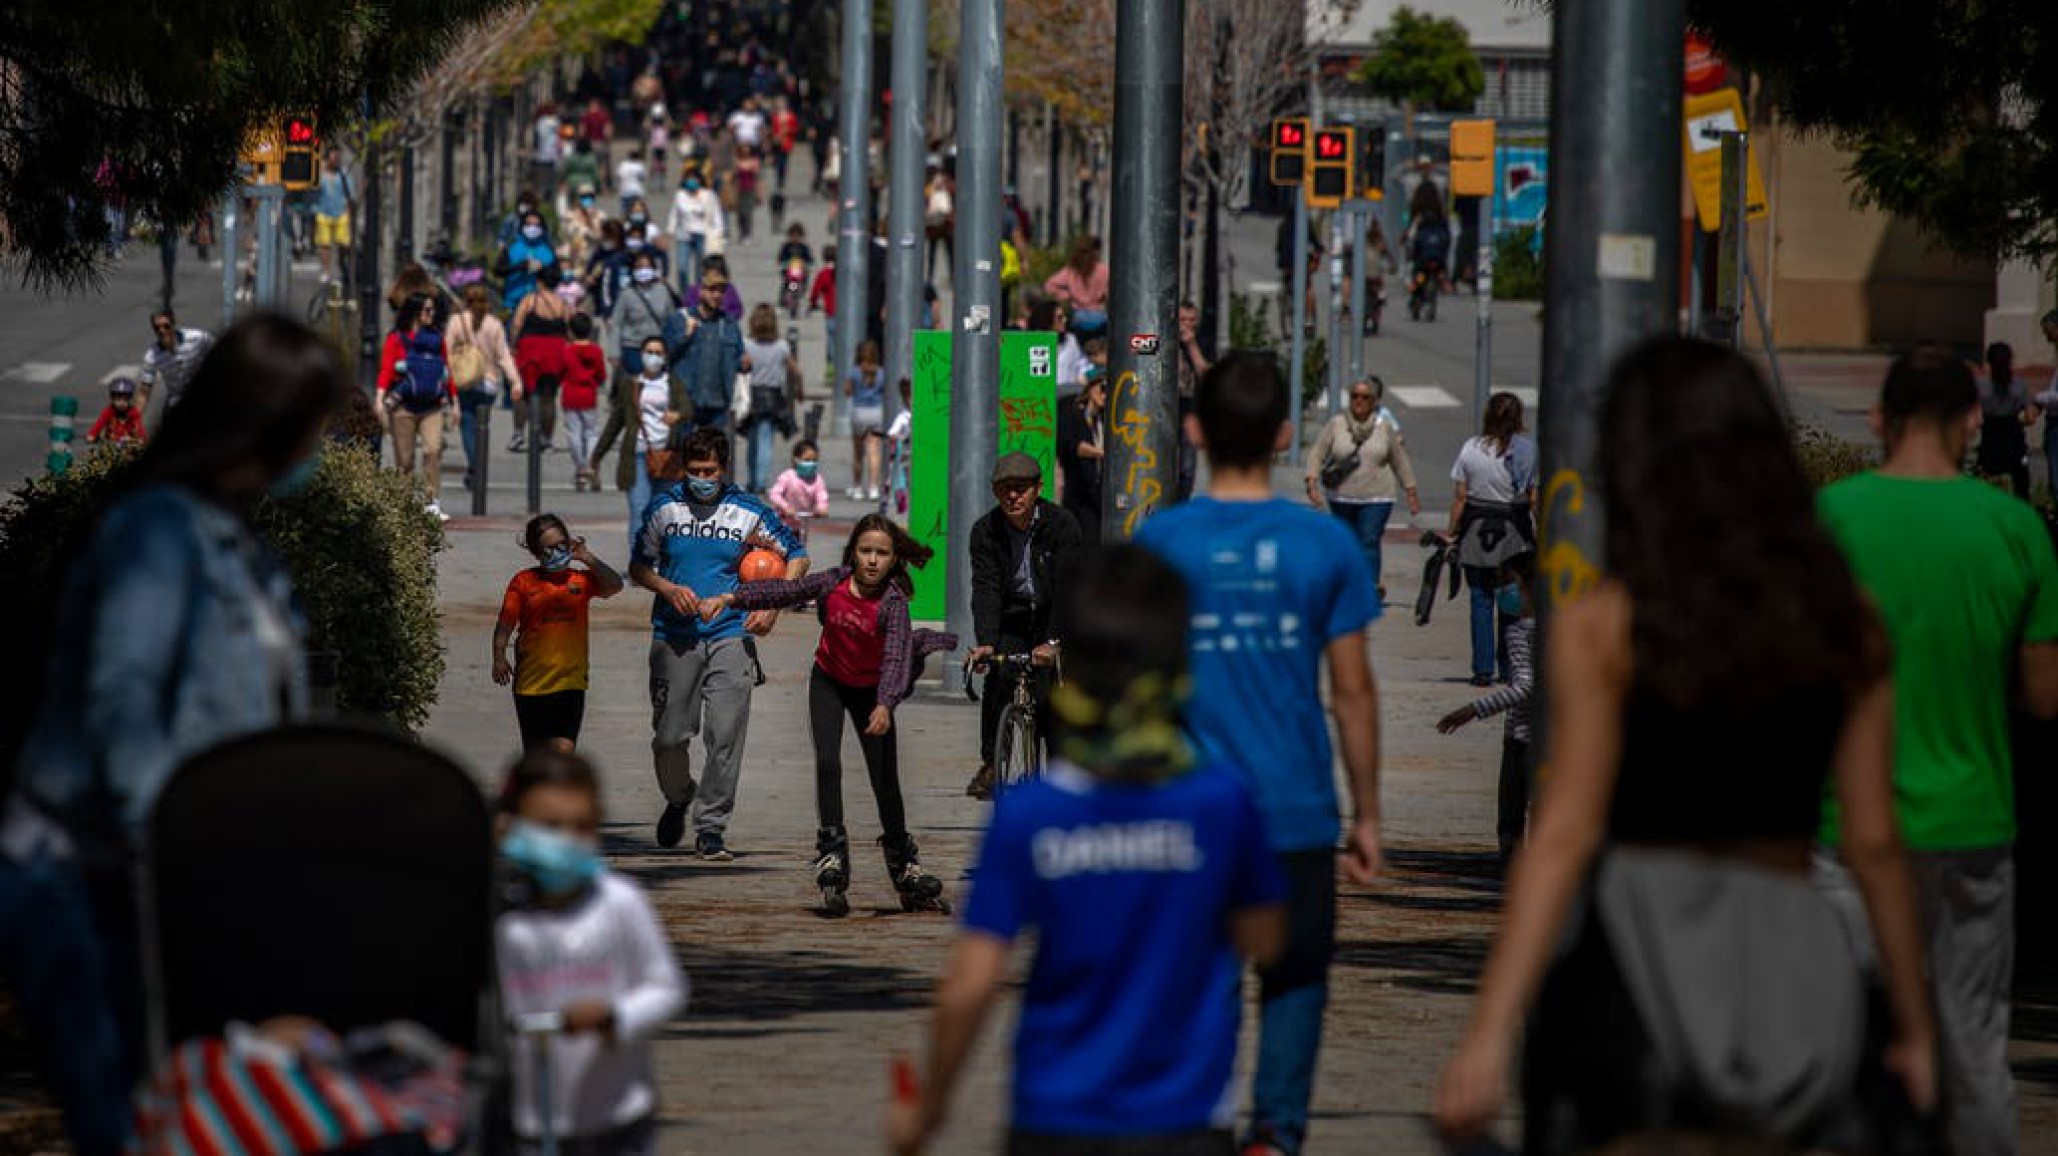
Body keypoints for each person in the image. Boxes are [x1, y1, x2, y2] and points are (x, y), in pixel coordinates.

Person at [1434, 338, 1939, 1155]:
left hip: (1637, 950)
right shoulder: (1842, 620)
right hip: (1793, 944)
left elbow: (1561, 834)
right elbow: (1876, 840)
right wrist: (1915, 1026)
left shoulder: (1608, 625)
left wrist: (1489, 1030)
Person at [2, 313, 340, 1156]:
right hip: (95, 884)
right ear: (264, 422)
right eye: (312, 428)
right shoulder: (156, 531)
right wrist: (187, 855)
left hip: (177, 882)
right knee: (134, 1125)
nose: (320, 448)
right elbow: (123, 712)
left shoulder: (236, 541)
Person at [890, 544, 1287, 1156]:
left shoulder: (1030, 814)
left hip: (1055, 1115)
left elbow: (971, 983)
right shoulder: (1221, 804)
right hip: (1185, 1116)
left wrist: (929, 1109)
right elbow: (1266, 939)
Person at [1131, 351, 1381, 1156]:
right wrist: (1367, 813)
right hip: (1295, 813)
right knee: (1296, 979)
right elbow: (1352, 691)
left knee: (1191, 976)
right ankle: (1275, 1130)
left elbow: (1133, 687)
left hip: (1184, 813)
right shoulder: (1324, 548)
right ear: (1282, 436)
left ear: (1195, 430)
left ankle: (1193, 1116)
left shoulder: (1160, 542)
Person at [1813, 345, 2058, 1156]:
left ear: (1879, 420)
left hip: (1843, 827)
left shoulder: (1829, 520)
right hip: (1971, 824)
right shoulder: (2017, 529)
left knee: (1842, 1045)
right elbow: (2045, 695)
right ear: (1968, 421)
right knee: (1975, 1049)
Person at [699, 516, 956, 916]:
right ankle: (832, 854)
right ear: (853, 551)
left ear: (893, 560)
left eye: (881, 554)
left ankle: (904, 863)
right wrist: (731, 599)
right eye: (865, 551)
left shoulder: (893, 604)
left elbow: (894, 659)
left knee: (884, 777)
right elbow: (786, 590)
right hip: (829, 682)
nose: (872, 560)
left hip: (872, 693)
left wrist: (885, 704)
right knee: (828, 763)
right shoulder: (833, 582)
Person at [628, 427, 808, 860]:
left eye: (709, 470)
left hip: (730, 634)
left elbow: (796, 556)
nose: (701, 477)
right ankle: (678, 796)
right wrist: (667, 589)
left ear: (723, 468)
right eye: (694, 470)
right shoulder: (664, 508)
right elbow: (638, 566)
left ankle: (711, 827)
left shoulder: (747, 510)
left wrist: (773, 605)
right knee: (669, 737)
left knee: (725, 736)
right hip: (674, 637)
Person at [494, 751, 687, 1153]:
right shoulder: (504, 922)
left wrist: (616, 1017)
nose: (566, 839)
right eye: (549, 826)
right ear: (509, 826)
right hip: (528, 1119)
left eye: (581, 826)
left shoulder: (620, 902)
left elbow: (665, 987)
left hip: (617, 1117)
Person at [964, 453, 1084, 800]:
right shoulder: (984, 531)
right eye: (1004, 490)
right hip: (1013, 615)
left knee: (1051, 693)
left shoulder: (1062, 525)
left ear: (1038, 489)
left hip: (1053, 614)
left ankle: (1063, 779)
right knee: (999, 678)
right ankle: (991, 762)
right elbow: (985, 589)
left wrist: (1055, 641)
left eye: (1020, 489)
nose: (1012, 497)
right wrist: (986, 642)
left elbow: (1068, 588)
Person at [1435, 551, 1536, 865]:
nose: (1502, 592)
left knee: (1510, 816)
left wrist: (1472, 710)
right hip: (1551, 736)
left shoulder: (1521, 630)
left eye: (1509, 584)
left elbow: (1524, 685)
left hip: (1522, 737)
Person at [493, 514, 624, 752]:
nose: (556, 553)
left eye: (560, 545)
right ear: (535, 552)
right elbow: (505, 623)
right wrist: (499, 656)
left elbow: (615, 585)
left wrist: (587, 557)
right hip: (532, 684)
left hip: (570, 683)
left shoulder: (580, 580)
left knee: (564, 752)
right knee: (537, 756)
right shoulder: (523, 582)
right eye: (547, 549)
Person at [1445, 392, 1536, 686]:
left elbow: (1461, 497)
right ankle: (1509, 668)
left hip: (1476, 531)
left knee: (1480, 599)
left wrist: (1451, 532)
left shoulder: (1471, 448)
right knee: (1510, 602)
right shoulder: (1526, 452)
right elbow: (1534, 498)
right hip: (1513, 532)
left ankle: (1482, 669)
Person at [1305, 377, 1419, 601]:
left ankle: (1370, 587)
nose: (1359, 401)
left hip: (1377, 496)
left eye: (1364, 397)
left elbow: (1399, 460)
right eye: (1354, 396)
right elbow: (1317, 452)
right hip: (1341, 495)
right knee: (1346, 541)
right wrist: (1311, 481)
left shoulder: (1383, 427)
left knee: (1368, 540)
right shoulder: (1337, 423)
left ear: (1374, 401)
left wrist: (1411, 491)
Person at [593, 335, 692, 543]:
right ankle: (639, 566)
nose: (653, 357)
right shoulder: (631, 385)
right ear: (641, 355)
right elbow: (615, 422)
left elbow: (688, 408)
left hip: (667, 455)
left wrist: (678, 415)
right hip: (637, 454)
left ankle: (660, 564)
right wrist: (597, 455)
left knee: (665, 513)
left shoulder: (673, 383)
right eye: (649, 352)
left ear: (665, 357)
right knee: (639, 510)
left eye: (658, 353)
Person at [376, 293, 456, 519]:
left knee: (433, 450)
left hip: (431, 405)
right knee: (405, 459)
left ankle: (432, 501)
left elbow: (445, 370)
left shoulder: (436, 338)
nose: (431, 314)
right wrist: (379, 397)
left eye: (433, 310)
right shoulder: (397, 339)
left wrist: (454, 401)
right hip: (404, 406)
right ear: (415, 312)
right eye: (427, 310)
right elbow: (387, 369)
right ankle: (403, 502)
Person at [445, 284, 525, 493]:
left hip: (464, 381)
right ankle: (478, 462)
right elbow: (503, 356)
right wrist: (515, 381)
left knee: (467, 424)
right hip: (489, 384)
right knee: (482, 427)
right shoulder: (494, 324)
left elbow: (445, 351)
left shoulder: (456, 322)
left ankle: (474, 464)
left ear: (466, 302)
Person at [668, 270, 745, 435]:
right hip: (686, 401)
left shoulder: (729, 323)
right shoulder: (680, 319)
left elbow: (738, 357)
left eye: (721, 291)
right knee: (683, 455)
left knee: (712, 456)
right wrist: (685, 336)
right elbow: (666, 355)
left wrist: (743, 363)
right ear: (701, 291)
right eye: (712, 290)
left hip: (717, 403)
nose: (716, 295)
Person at [509, 267, 574, 454]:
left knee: (522, 393)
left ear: (540, 282)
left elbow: (516, 324)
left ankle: (519, 434)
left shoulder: (530, 300)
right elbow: (569, 331)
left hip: (530, 349)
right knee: (549, 396)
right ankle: (546, 439)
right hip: (555, 351)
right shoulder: (563, 304)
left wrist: (513, 345)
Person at [739, 303, 795, 493]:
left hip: (752, 394)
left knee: (752, 439)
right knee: (765, 439)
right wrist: (798, 391)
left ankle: (753, 477)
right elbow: (794, 370)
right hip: (772, 395)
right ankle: (761, 481)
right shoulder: (782, 347)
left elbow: (740, 367)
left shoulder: (747, 345)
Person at [613, 249, 680, 386]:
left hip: (657, 349)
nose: (643, 270)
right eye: (639, 267)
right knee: (635, 388)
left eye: (647, 267)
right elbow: (616, 324)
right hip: (633, 348)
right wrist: (614, 353)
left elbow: (672, 320)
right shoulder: (626, 294)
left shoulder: (663, 291)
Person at [1055, 362, 1106, 543]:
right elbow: (1073, 447)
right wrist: (1101, 452)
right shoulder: (1073, 414)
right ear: (1091, 389)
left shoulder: (1106, 419)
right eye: (1103, 388)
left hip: (1099, 494)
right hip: (1078, 495)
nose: (1105, 395)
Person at [1976, 342, 2034, 498]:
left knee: (1985, 479)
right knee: (2021, 484)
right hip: (2012, 437)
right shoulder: (2019, 385)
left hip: (1989, 437)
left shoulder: (1980, 386)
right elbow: (2029, 417)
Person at [561, 314, 609, 492]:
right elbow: (601, 374)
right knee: (591, 433)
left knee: (573, 433)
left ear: (571, 331)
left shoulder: (567, 350)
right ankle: (591, 463)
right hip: (589, 393)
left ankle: (580, 467)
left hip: (571, 393)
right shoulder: (596, 351)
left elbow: (561, 370)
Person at [139, 309, 214, 414]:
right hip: (177, 400)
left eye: (166, 326)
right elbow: (143, 394)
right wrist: (133, 421)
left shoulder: (198, 337)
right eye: (157, 328)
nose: (162, 331)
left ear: (173, 324)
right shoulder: (151, 357)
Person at [666, 171, 724, 291]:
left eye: (694, 179)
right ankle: (685, 294)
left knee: (700, 269)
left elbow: (717, 215)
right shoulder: (680, 195)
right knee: (681, 268)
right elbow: (674, 214)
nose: (692, 182)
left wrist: (719, 231)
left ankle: (699, 294)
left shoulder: (708, 195)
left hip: (702, 235)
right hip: (684, 235)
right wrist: (670, 231)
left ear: (700, 180)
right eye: (689, 179)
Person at [844, 339, 887, 501]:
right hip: (876, 413)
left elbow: (847, 391)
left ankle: (857, 487)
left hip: (859, 413)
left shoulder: (854, 372)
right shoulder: (881, 372)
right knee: (874, 452)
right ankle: (874, 487)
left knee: (858, 453)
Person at [496, 209, 558, 314]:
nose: (532, 228)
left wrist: (542, 269)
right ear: (522, 226)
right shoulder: (511, 246)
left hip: (540, 305)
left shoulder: (548, 250)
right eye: (528, 224)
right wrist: (520, 266)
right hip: (514, 302)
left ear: (542, 228)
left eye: (537, 225)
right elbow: (498, 271)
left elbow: (556, 277)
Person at [1041, 235, 1109, 325]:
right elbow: (1049, 285)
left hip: (1092, 313)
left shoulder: (1102, 271)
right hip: (1083, 313)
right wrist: (1066, 295)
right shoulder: (1072, 271)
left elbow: (1049, 285)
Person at [767, 440, 828, 538]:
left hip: (801, 524)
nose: (811, 463)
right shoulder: (787, 476)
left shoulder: (817, 479)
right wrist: (785, 507)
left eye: (814, 460)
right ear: (796, 459)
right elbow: (774, 494)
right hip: (782, 524)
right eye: (807, 460)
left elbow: (821, 494)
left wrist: (821, 507)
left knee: (800, 548)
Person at [312, 148, 354, 284]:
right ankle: (325, 270)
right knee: (324, 244)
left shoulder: (343, 174)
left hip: (340, 213)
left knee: (344, 243)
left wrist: (349, 213)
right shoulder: (320, 174)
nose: (335, 160)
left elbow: (350, 195)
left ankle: (343, 265)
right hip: (324, 213)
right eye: (332, 157)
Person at [86, 377, 146, 447]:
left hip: (128, 443)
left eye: (125, 400)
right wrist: (92, 435)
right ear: (112, 398)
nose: (121, 403)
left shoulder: (133, 413)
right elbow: (99, 424)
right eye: (118, 399)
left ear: (130, 399)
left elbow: (139, 428)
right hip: (111, 443)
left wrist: (141, 438)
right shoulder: (108, 411)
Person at [808, 247, 838, 380]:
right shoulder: (844, 271)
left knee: (831, 342)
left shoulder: (823, 273)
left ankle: (831, 370)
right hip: (845, 314)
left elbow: (815, 291)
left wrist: (813, 303)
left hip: (831, 312)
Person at [776, 223, 812, 317]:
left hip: (801, 273)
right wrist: (784, 262)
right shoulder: (786, 247)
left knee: (802, 286)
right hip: (789, 273)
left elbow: (809, 259)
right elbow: (780, 258)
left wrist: (805, 263)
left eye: (798, 235)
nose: (795, 238)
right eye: (793, 235)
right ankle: (783, 301)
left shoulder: (803, 247)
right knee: (787, 286)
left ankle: (797, 297)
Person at [530, 103, 562, 199]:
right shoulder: (556, 121)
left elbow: (538, 137)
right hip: (553, 154)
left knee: (541, 180)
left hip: (542, 154)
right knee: (552, 180)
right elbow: (559, 137)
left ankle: (542, 197)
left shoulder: (539, 122)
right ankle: (550, 197)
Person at [615, 147, 648, 219]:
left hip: (624, 191)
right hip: (636, 191)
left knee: (624, 212)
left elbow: (618, 175)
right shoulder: (639, 165)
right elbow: (643, 178)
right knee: (637, 212)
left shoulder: (623, 164)